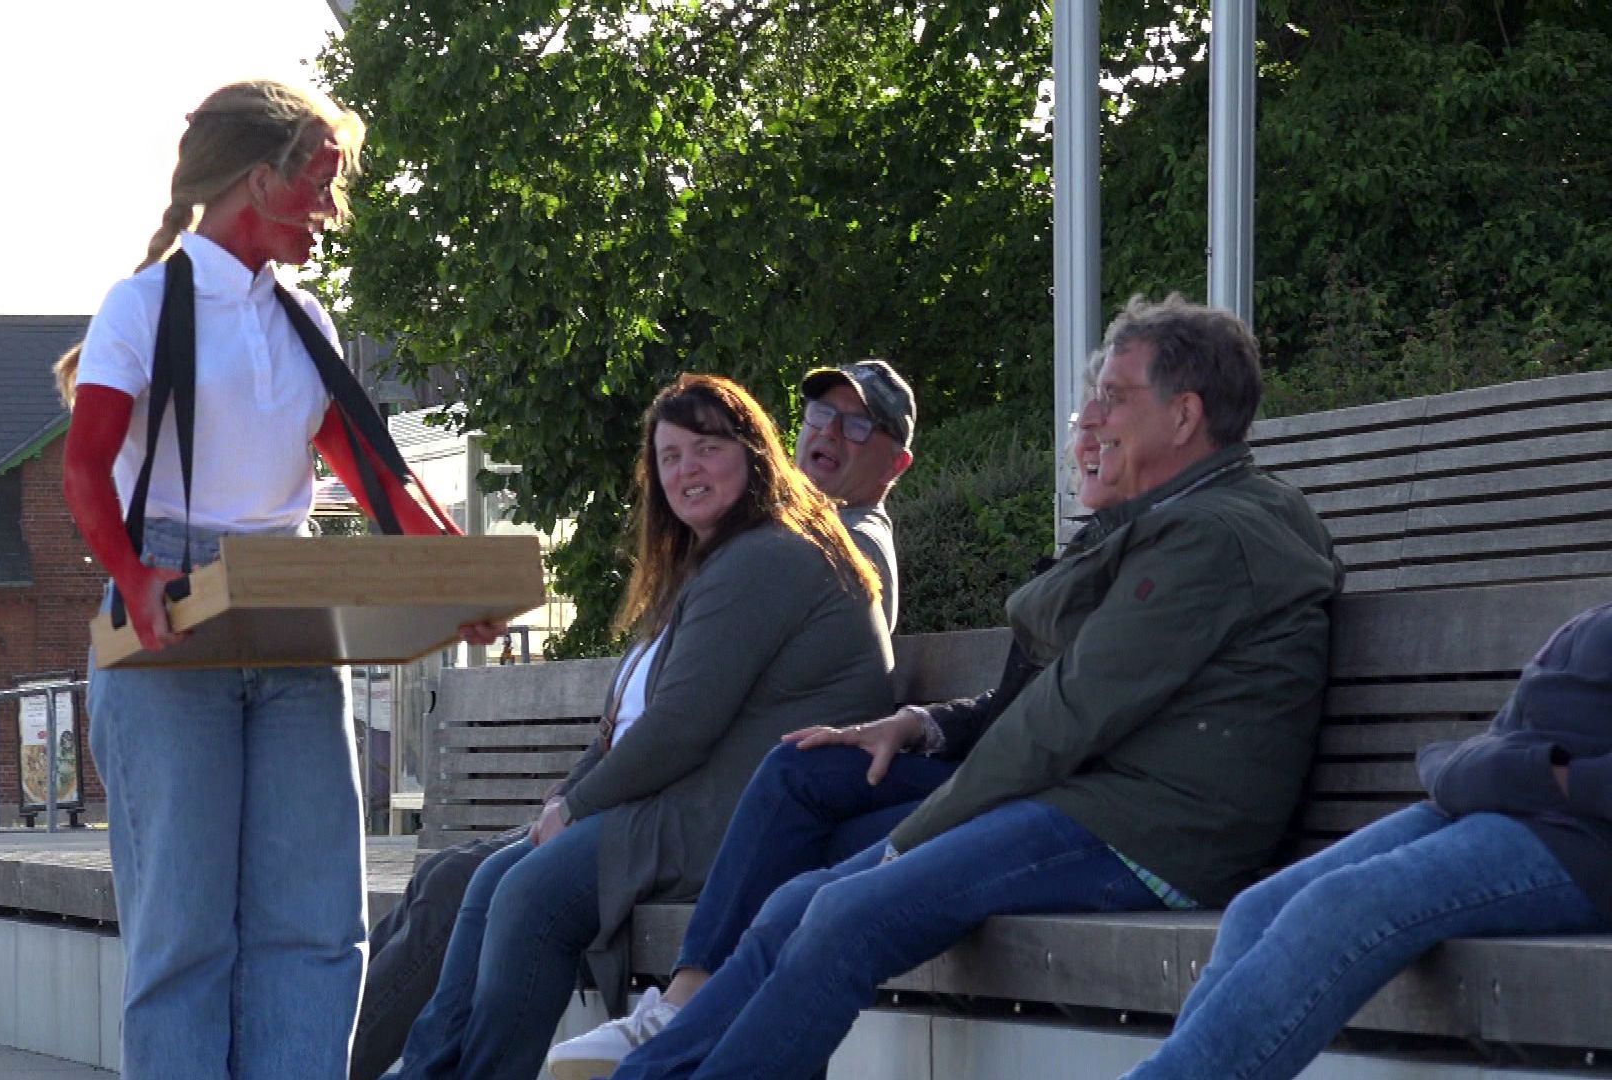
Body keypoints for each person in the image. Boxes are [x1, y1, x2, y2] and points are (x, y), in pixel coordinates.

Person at [596, 294, 1342, 1080]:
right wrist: (926, 730)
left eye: (1112, 398)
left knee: (845, 914)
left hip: (1154, 834)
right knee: (796, 905)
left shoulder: (1214, 537)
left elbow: (1063, 717)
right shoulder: (1174, 519)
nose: (1087, 418)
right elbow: (1047, 703)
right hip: (1094, 799)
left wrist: (913, 839)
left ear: (1184, 415)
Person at [58, 79, 498, 1080]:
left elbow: (377, 477)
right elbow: (84, 468)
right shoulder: (142, 306)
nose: (331, 212)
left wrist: (456, 575)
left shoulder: (307, 322)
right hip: (170, 619)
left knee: (316, 923)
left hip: (294, 616)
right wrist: (129, 574)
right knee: (184, 939)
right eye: (320, 184)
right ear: (260, 179)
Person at [349, 361, 919, 1080]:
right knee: (490, 877)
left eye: (708, 449)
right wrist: (565, 802)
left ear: (753, 451)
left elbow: (681, 724)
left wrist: (579, 804)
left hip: (750, 823)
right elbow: (629, 727)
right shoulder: (726, 559)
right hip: (700, 801)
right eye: (670, 456)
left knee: (526, 892)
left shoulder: (774, 554)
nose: (687, 471)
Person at [1121, 601, 1612, 1080]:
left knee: (1340, 906)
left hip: (1580, 839)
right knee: (1257, 909)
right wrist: (1483, 769)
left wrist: (1547, 776)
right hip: (1500, 801)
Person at [794, 360, 915, 630]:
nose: (829, 431)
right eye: (823, 412)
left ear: (895, 465)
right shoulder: (793, 527)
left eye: (858, 426)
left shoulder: (852, 545)